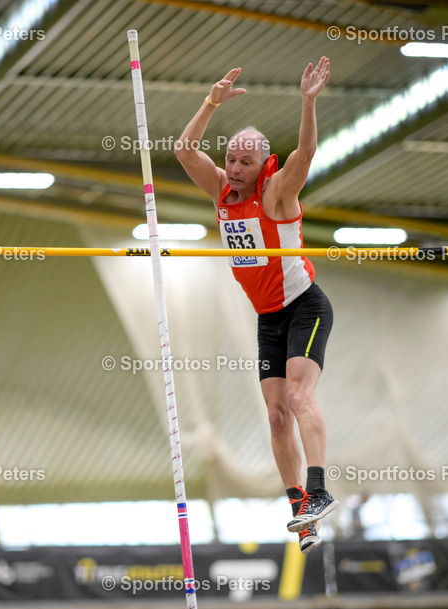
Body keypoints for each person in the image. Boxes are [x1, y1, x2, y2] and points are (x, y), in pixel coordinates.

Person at [175, 59, 336, 553]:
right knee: (276, 415)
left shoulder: (276, 192)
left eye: (245, 162)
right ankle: (300, 510)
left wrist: (307, 102)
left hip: (304, 306)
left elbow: (306, 153)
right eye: (231, 159)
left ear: (262, 164)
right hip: (268, 318)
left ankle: (320, 490)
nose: (235, 168)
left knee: (298, 397)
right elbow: (184, 150)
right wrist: (211, 102)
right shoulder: (221, 191)